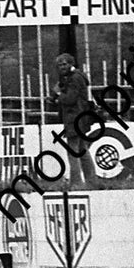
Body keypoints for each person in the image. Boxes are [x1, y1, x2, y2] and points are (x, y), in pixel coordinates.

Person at [48, 53, 96, 184]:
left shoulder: (74, 78)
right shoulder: (76, 77)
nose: (62, 67)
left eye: (64, 64)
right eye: (59, 65)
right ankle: (92, 180)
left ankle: (76, 182)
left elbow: (70, 99)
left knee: (73, 151)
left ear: (71, 64)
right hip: (80, 117)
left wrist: (58, 93)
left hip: (74, 118)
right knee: (82, 150)